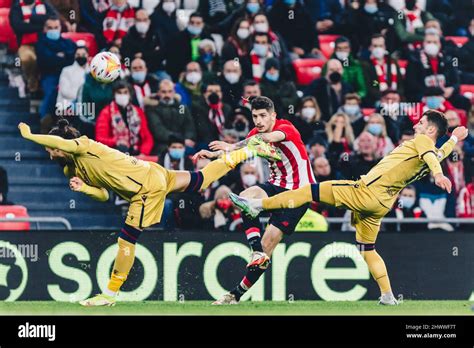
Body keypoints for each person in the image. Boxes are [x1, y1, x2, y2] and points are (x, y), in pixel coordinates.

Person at [17, 115, 281, 307]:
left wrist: (30, 135)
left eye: (50, 149)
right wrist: (83, 189)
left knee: (126, 239)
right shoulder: (71, 168)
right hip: (151, 172)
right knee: (200, 180)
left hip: (145, 188)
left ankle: (109, 294)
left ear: (59, 143)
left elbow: (64, 144)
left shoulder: (83, 145)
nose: (50, 154)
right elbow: (103, 194)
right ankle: (242, 154)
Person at [229, 110, 469, 305]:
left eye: (421, 122)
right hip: (381, 205)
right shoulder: (435, 149)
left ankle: (257, 205)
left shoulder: (423, 141)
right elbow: (439, 153)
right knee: (368, 249)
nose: (416, 124)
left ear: (429, 130)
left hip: (365, 192)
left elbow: (430, 156)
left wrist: (438, 176)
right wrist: (455, 138)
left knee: (309, 190)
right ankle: (388, 296)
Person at [209, 97, 315, 305]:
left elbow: (267, 139)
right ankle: (255, 250)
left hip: (299, 194)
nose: (258, 120)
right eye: (255, 116)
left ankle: (235, 294)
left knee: (269, 246)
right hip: (276, 186)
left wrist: (231, 146)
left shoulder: (286, 128)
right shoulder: (254, 135)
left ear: (273, 115)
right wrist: (214, 155)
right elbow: (238, 154)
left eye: (263, 116)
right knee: (246, 197)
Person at [35, 16, 76, 131]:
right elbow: (45, 61)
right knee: (51, 92)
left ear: (60, 28)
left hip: (68, 75)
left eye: (56, 27)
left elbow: (72, 58)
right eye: (50, 27)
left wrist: (56, 58)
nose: (53, 30)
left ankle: (71, 125)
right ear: (44, 29)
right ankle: (45, 121)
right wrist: (62, 58)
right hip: (50, 75)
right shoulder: (40, 43)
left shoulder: (68, 43)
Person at [95, 80, 154, 156]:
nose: (122, 95)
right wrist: (116, 141)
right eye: (119, 92)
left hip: (137, 153)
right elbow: (100, 138)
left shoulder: (138, 111)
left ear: (130, 94)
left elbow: (147, 137)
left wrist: (143, 153)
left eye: (125, 92)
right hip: (116, 153)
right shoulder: (106, 112)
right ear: (114, 94)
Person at [9, 0, 57, 93]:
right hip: (26, 44)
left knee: (53, 57)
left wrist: (31, 19)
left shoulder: (44, 3)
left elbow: (54, 18)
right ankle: (32, 83)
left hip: (45, 42)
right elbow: (19, 27)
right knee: (28, 58)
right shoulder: (16, 7)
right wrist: (42, 26)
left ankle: (47, 85)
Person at [145, 79, 196, 154]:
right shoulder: (153, 109)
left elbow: (189, 126)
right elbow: (159, 131)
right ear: (158, 93)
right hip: (163, 145)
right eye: (163, 92)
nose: (167, 95)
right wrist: (180, 140)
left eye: (170, 91)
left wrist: (187, 138)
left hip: (183, 144)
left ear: (174, 92)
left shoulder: (181, 107)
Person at [121, 9, 164, 73]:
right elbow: (126, 57)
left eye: (144, 20)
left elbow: (161, 54)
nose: (142, 22)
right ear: (135, 21)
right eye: (139, 20)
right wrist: (129, 67)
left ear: (149, 21)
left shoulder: (156, 34)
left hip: (154, 69)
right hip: (134, 70)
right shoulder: (128, 36)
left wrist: (143, 55)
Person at [56, 45, 89, 115]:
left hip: (86, 106)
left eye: (83, 54)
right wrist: (83, 97)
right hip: (67, 105)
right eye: (78, 54)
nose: (81, 56)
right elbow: (65, 92)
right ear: (75, 56)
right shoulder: (66, 70)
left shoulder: (91, 72)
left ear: (87, 55)